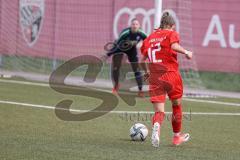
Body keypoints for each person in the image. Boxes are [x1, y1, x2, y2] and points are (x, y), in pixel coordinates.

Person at [140, 12, 193, 147]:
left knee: (159, 112)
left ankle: (157, 127)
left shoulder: (150, 38)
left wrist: (147, 73)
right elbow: (174, 46)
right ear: (171, 26)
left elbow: (142, 60)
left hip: (155, 76)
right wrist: (186, 52)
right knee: (176, 105)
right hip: (171, 74)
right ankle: (176, 137)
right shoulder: (171, 34)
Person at [103, 18, 147, 97]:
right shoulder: (125, 33)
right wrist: (108, 54)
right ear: (130, 25)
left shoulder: (141, 34)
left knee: (136, 69)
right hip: (121, 47)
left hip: (132, 50)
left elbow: (149, 42)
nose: (135, 26)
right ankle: (116, 86)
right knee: (116, 68)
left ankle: (140, 90)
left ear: (139, 26)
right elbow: (117, 45)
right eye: (133, 24)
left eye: (136, 24)